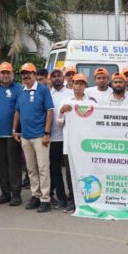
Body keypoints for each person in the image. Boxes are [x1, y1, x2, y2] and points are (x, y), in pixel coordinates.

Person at [12, 63, 54, 213]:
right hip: (25, 136)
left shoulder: (43, 90)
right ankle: (36, 195)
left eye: (28, 73)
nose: (25, 76)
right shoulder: (21, 91)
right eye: (23, 73)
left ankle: (45, 199)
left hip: (40, 136)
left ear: (35, 75)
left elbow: (50, 111)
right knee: (31, 169)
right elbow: (17, 112)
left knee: (43, 168)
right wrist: (14, 130)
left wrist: (47, 133)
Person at [57, 73, 97, 213]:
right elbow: (59, 123)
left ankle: (87, 198)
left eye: (81, 84)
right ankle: (72, 200)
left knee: (86, 172)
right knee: (70, 173)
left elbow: (95, 123)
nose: (78, 86)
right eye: (76, 83)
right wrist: (62, 112)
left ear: (85, 86)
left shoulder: (92, 103)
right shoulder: (66, 101)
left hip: (85, 145)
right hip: (69, 145)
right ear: (72, 85)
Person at [0, 62, 23, 206]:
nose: (5, 75)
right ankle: (5, 193)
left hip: (13, 134)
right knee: (2, 165)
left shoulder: (19, 89)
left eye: (8, 72)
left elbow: (21, 110)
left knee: (14, 165)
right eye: (2, 72)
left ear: (12, 74)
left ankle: (16, 194)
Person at [48, 68, 73, 210]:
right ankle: (61, 198)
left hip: (69, 137)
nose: (57, 78)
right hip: (53, 138)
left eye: (59, 75)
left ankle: (72, 198)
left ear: (63, 77)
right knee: (55, 170)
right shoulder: (47, 94)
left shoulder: (71, 93)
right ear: (50, 79)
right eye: (54, 76)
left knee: (70, 170)